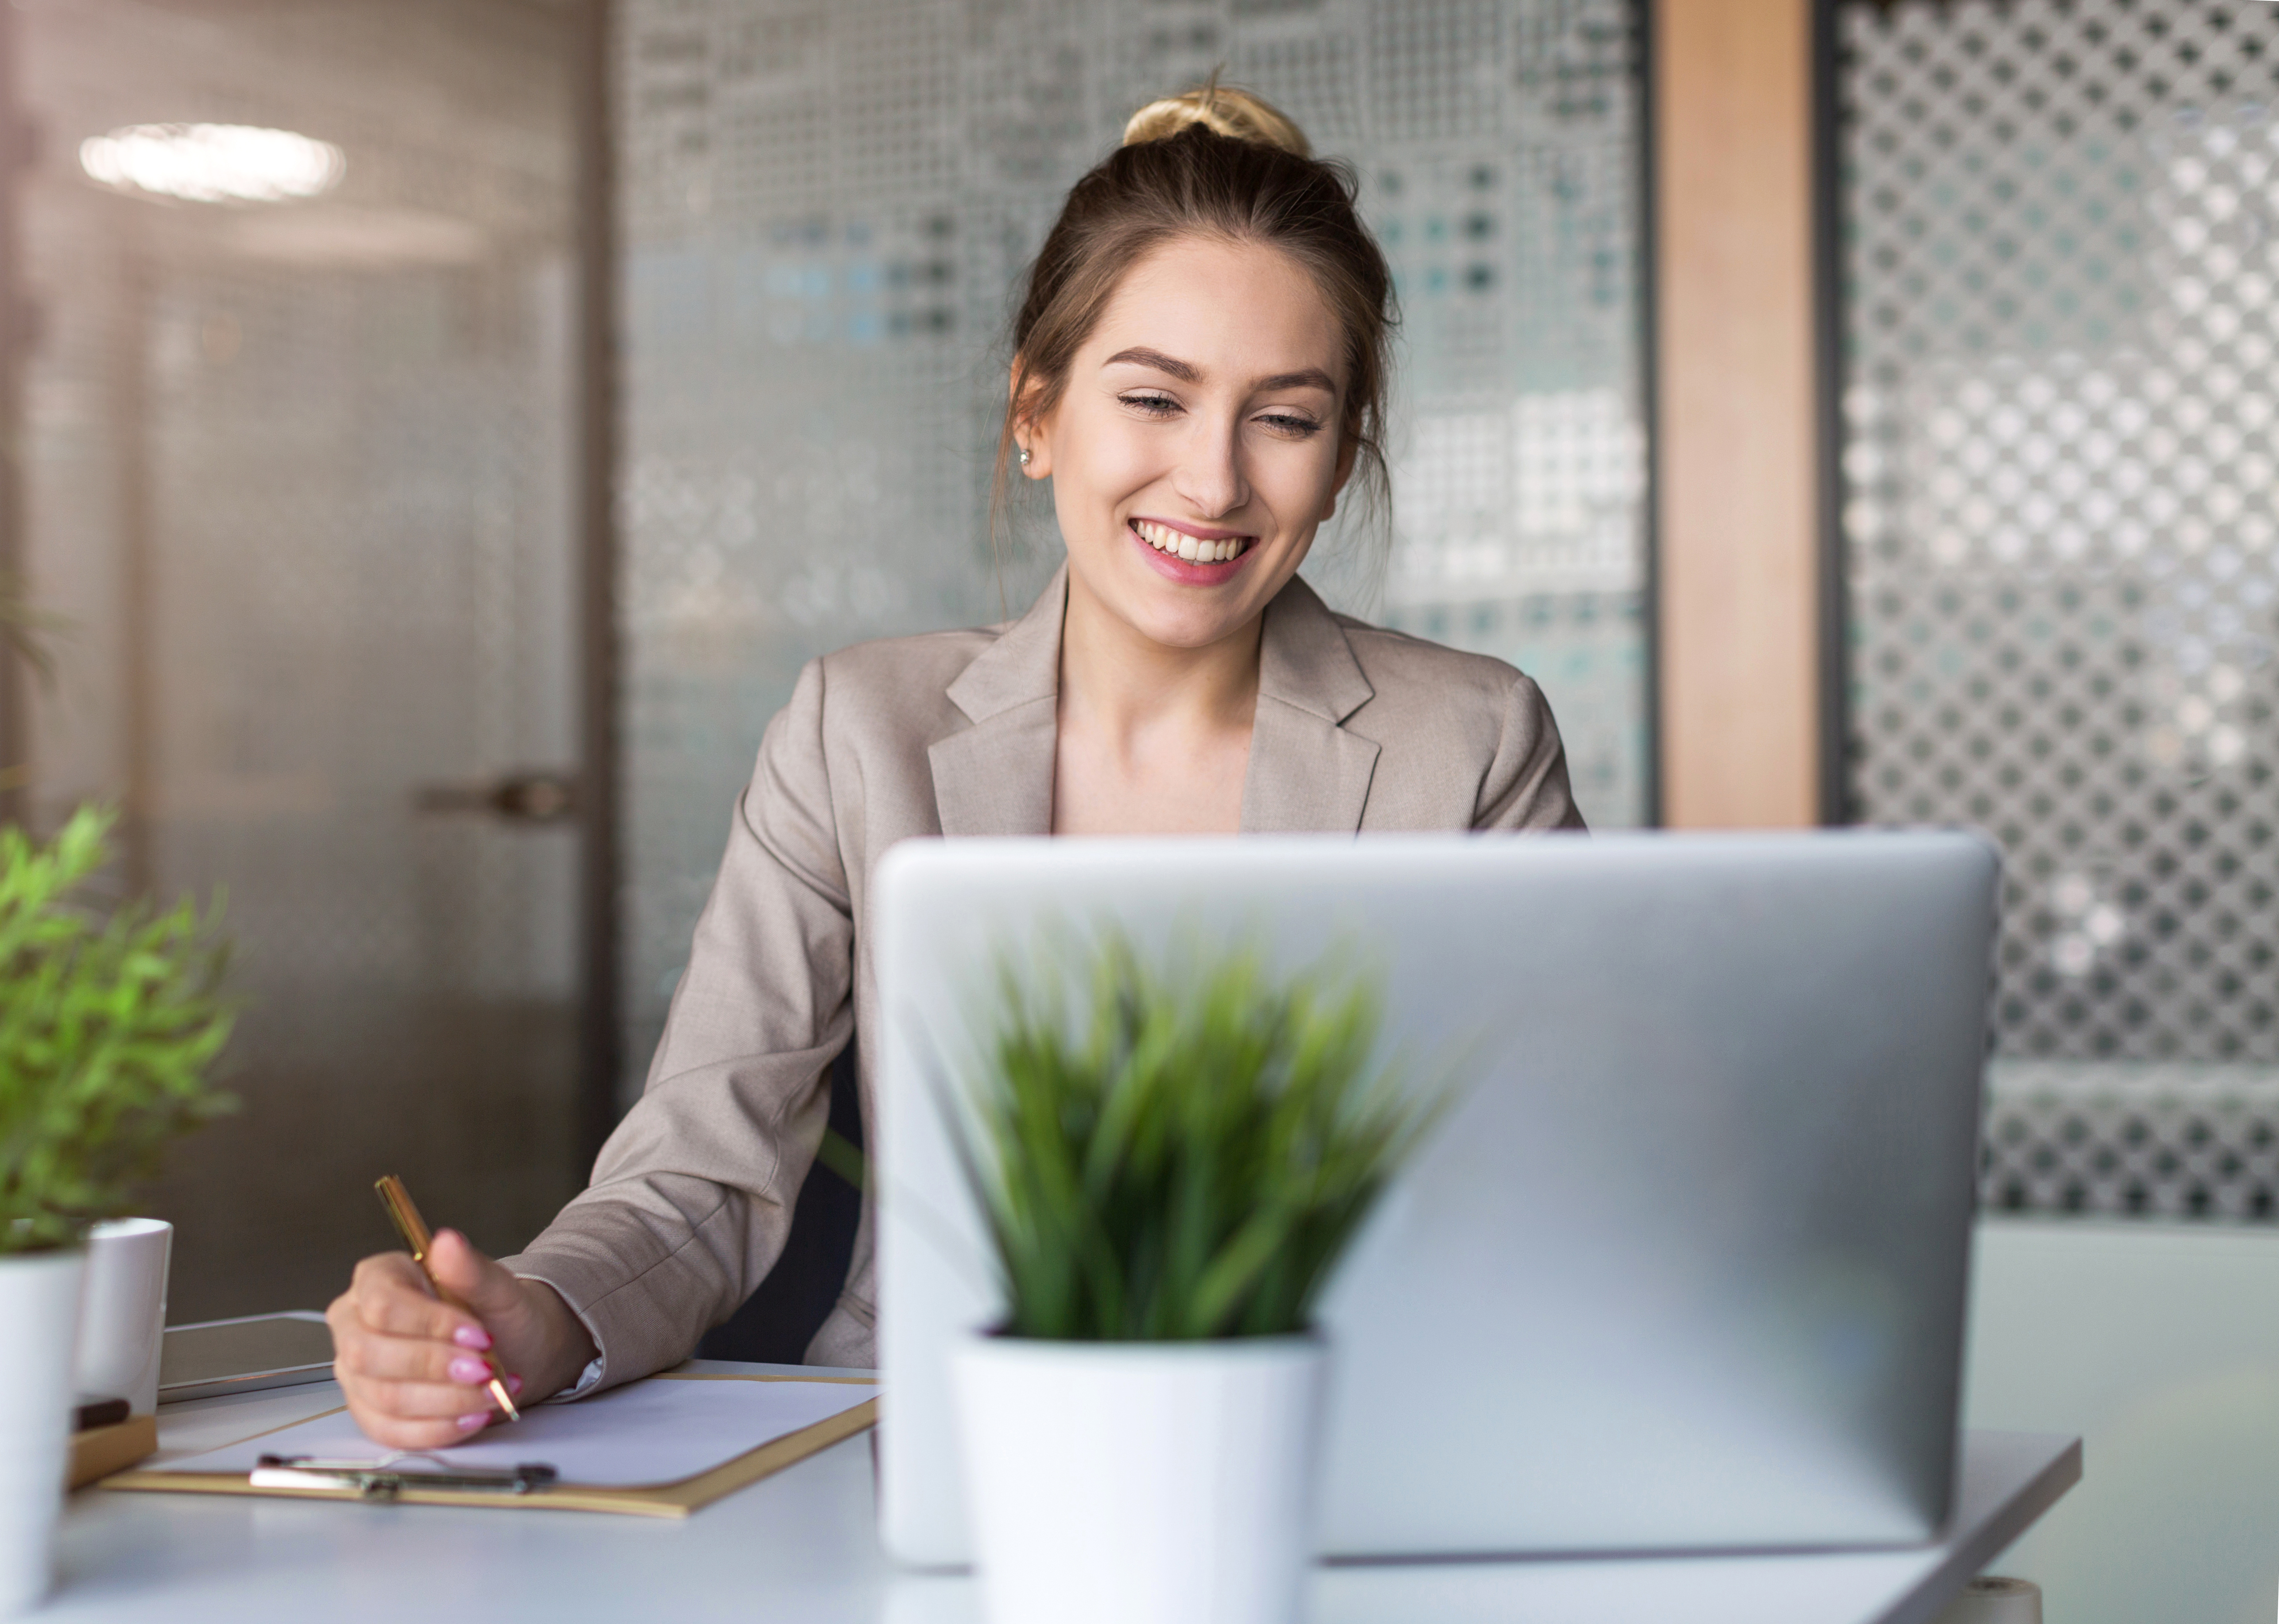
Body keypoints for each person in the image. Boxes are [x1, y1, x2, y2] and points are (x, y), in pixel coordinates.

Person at [327, 82, 1585, 1449]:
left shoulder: (1468, 741)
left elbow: (1568, 1170)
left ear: (1341, 460)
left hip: (1352, 1431)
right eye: (1154, 398)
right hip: (934, 1435)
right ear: (1035, 412)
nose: (1214, 482)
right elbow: (702, 1171)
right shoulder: (854, 729)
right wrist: (543, 1315)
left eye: (1284, 419)